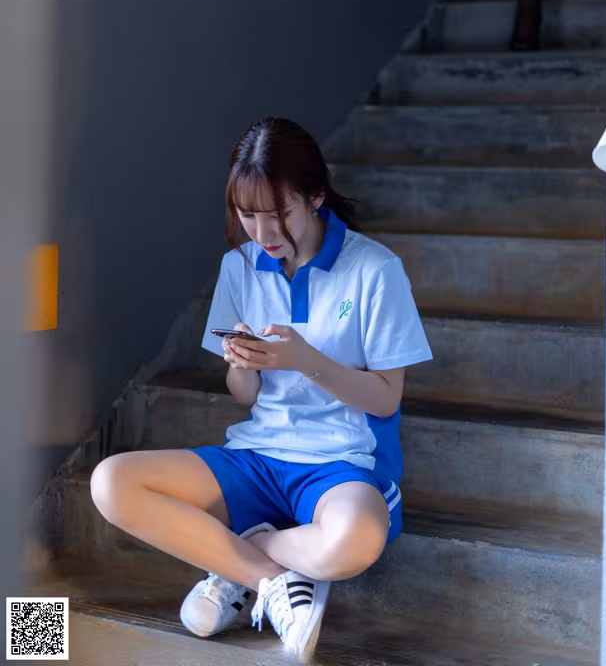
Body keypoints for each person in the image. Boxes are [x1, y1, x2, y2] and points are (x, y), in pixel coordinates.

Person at [89, 116, 433, 662]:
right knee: (111, 482)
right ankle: (270, 581)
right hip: (256, 455)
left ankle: (236, 561)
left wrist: (306, 360)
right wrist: (242, 363)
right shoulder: (239, 267)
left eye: (279, 216)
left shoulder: (374, 270)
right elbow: (245, 396)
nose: (263, 234)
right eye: (248, 216)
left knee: (356, 540)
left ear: (316, 196)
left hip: (342, 464)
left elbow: (386, 398)